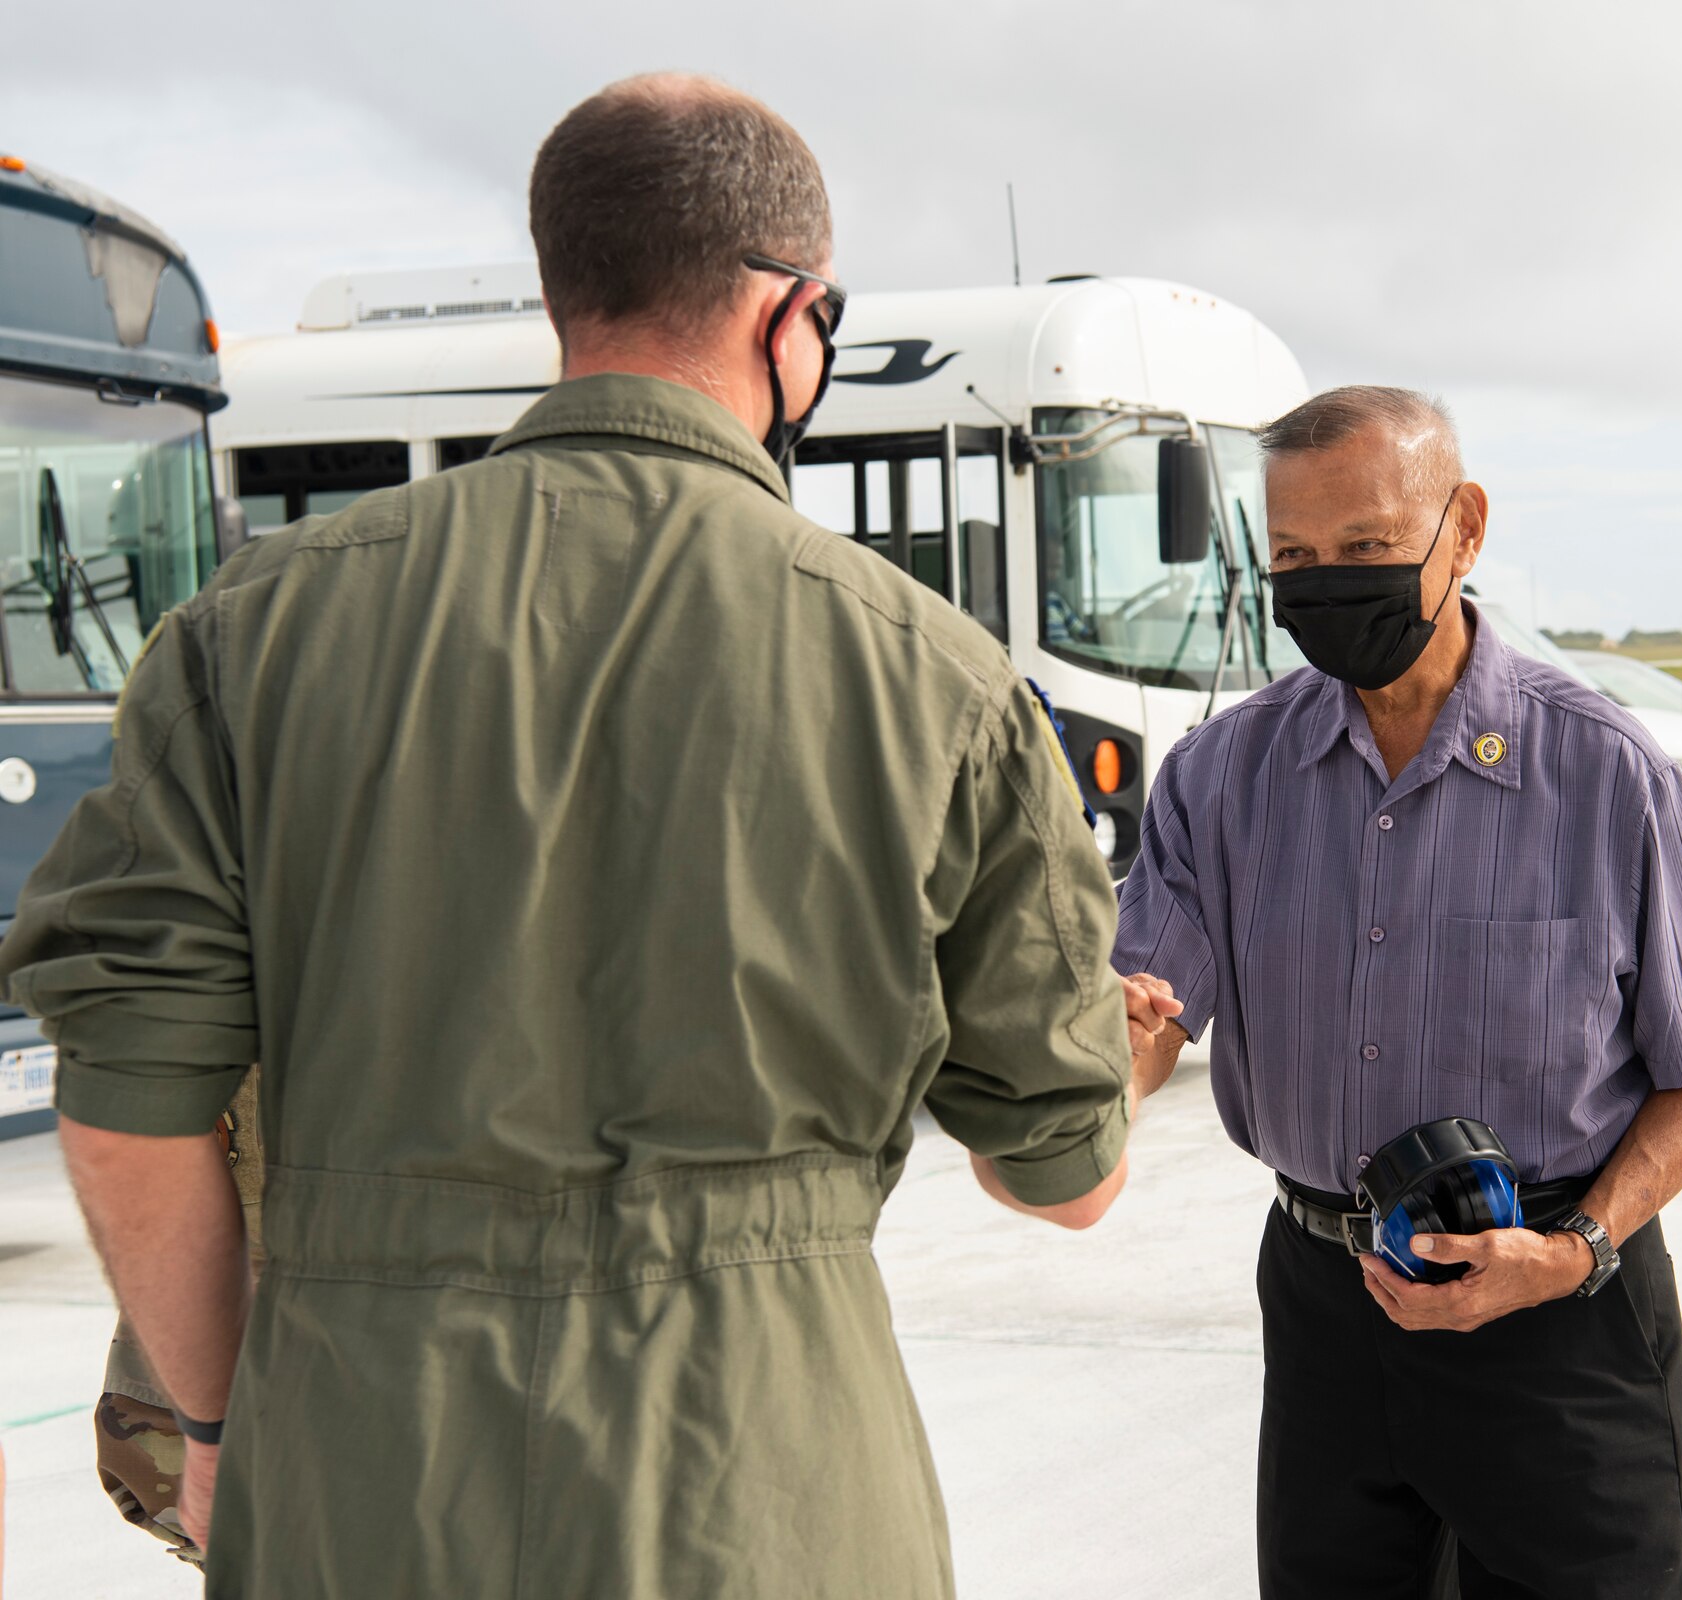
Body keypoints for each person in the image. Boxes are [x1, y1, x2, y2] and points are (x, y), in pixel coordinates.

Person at [0, 74, 1142, 1597]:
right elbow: (1059, 1177)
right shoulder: (937, 676)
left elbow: (130, 1106)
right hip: (775, 1494)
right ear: (789, 315)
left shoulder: (244, 638)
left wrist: (215, 1429)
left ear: (563, 286)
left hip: (356, 1484)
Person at [1115, 386, 1682, 1599]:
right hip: (1322, 1310)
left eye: (1364, 547)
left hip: (1553, 1310)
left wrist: (1572, 1251)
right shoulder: (1218, 776)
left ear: (1460, 528)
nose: (1325, 582)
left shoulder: (1606, 776)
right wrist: (1111, 1050)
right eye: (1295, 556)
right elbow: (1147, 1015)